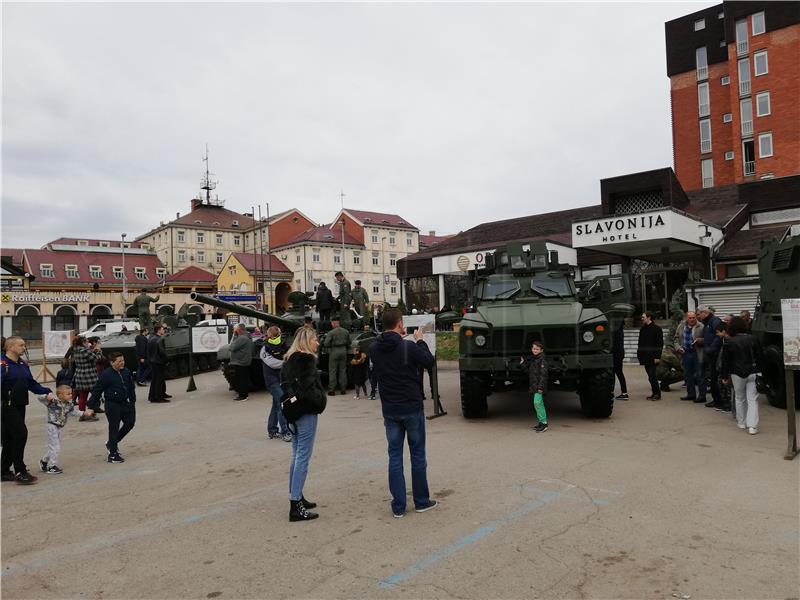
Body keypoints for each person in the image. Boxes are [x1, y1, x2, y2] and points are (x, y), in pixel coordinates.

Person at [368, 307, 438, 518]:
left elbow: (387, 349)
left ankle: (398, 506)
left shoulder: (374, 348)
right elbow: (429, 361)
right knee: (417, 455)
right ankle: (421, 501)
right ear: (400, 324)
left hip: (390, 409)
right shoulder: (408, 347)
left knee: (394, 457)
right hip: (411, 407)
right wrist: (419, 340)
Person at [280, 327, 327, 522]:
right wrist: (320, 400)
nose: (317, 342)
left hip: (293, 411)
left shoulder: (289, 359)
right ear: (307, 341)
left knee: (296, 453)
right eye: (315, 339)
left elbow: (285, 384)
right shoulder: (307, 360)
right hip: (306, 411)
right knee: (303, 457)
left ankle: (297, 495)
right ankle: (295, 505)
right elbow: (309, 389)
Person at [2, 336, 53, 484]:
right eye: (21, 345)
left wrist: (47, 391)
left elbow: (30, 383)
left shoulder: (22, 364)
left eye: (24, 345)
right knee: (20, 434)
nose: (24, 348)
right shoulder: (2, 364)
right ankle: (20, 471)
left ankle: (4, 471)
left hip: (20, 404)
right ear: (10, 347)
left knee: (9, 438)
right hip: (6, 406)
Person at [88, 352, 136, 463]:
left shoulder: (126, 371)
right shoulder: (106, 375)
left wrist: (132, 400)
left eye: (123, 360)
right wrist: (91, 406)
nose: (122, 363)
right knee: (113, 428)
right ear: (112, 363)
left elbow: (131, 386)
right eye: (119, 361)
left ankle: (111, 443)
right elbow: (97, 390)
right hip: (112, 405)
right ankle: (113, 454)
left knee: (130, 423)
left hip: (127, 403)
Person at [721, 317, 762, 434]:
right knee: (753, 399)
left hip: (736, 372)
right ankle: (753, 426)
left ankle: (741, 422)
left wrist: (724, 376)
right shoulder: (754, 339)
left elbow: (726, 361)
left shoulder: (729, 341)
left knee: (739, 397)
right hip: (753, 371)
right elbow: (760, 356)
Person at [38, 384, 84, 474]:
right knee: (55, 447)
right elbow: (39, 398)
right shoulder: (53, 402)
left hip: (60, 427)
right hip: (52, 425)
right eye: (68, 394)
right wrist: (47, 396)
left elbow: (73, 412)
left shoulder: (69, 404)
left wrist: (83, 413)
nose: (71, 395)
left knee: (55, 446)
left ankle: (44, 461)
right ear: (60, 395)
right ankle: (51, 466)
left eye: (71, 393)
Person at [260, 326, 291, 441]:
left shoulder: (283, 345)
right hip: (272, 381)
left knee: (276, 405)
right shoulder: (264, 348)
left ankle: (272, 430)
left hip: (281, 379)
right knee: (282, 403)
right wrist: (285, 362)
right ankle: (285, 431)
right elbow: (271, 363)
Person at [674, 311, 704, 402]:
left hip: (697, 353)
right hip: (685, 353)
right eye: (690, 318)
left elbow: (707, 339)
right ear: (687, 318)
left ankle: (702, 396)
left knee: (700, 375)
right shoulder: (681, 326)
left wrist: (700, 340)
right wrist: (678, 347)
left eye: (693, 317)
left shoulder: (701, 326)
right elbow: (676, 338)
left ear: (696, 318)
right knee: (688, 375)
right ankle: (691, 394)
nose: (691, 319)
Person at [697, 305, 722, 408]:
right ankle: (716, 399)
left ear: (705, 313)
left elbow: (719, 336)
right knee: (712, 378)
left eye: (699, 314)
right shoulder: (707, 323)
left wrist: (710, 349)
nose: (698, 316)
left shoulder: (714, 321)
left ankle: (719, 401)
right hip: (710, 355)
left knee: (715, 378)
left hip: (715, 355)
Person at [520, 341, 549, 432]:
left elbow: (543, 376)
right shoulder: (535, 360)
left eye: (537, 349)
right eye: (533, 348)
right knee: (537, 404)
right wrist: (522, 364)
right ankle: (541, 422)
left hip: (538, 387)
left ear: (541, 350)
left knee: (538, 403)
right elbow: (530, 373)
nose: (535, 350)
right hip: (534, 386)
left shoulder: (542, 360)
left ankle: (544, 424)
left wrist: (540, 387)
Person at [73, 335, 103, 415]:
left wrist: (93, 350)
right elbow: (97, 358)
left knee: (83, 395)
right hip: (89, 376)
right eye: (86, 341)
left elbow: (89, 357)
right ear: (83, 343)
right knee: (96, 393)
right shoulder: (85, 351)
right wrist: (98, 350)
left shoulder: (76, 350)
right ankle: (92, 409)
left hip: (80, 375)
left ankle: (81, 412)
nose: (88, 343)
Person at [637, 311, 663, 401]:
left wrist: (657, 357)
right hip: (645, 357)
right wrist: (639, 354)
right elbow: (640, 343)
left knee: (652, 376)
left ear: (649, 318)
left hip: (653, 357)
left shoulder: (657, 329)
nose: (642, 319)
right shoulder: (642, 329)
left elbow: (659, 344)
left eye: (643, 317)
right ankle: (654, 393)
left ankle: (657, 394)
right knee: (650, 376)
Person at [323, 316, 349, 395]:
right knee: (342, 370)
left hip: (334, 351)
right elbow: (349, 342)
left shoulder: (331, 333)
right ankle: (343, 389)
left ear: (334, 324)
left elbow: (326, 343)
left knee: (333, 371)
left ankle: (332, 389)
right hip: (343, 351)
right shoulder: (346, 331)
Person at [229, 324, 254, 401]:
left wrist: (235, 336)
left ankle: (243, 396)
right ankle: (243, 394)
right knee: (243, 379)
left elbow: (231, 347)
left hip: (240, 362)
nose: (234, 331)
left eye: (235, 330)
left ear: (239, 330)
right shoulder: (247, 337)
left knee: (241, 380)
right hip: (244, 361)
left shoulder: (241, 338)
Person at [147, 325, 171, 403]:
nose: (163, 330)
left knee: (155, 380)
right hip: (159, 362)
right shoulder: (160, 339)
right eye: (162, 329)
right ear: (158, 331)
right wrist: (167, 360)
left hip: (153, 361)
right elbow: (162, 352)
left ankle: (152, 396)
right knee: (159, 380)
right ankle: (159, 397)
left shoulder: (151, 338)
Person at [612, 323, 628, 400]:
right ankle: (624, 392)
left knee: (615, 373)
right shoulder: (620, 330)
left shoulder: (616, 331)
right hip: (619, 353)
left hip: (616, 354)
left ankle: (623, 393)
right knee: (619, 373)